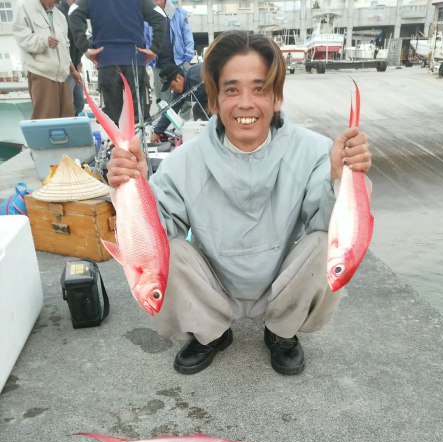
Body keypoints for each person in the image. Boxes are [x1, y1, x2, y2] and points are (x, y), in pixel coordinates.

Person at [107, 31, 372, 376]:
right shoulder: (181, 162)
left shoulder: (318, 151)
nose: (245, 103)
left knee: (328, 245)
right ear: (214, 101)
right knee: (167, 251)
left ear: (277, 97)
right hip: (212, 284)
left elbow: (328, 225)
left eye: (259, 89)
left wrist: (341, 177)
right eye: (231, 89)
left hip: (281, 279)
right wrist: (134, 186)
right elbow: (156, 235)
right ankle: (210, 333)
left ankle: (281, 331)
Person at [68, 0, 167, 125]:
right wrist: (154, 49)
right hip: (135, 59)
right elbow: (160, 16)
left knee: (112, 117)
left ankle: (116, 143)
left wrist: (85, 47)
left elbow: (73, 12)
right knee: (138, 117)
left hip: (107, 60)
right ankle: (136, 142)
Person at [12, 0, 81, 120]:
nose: (58, 1)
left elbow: (65, 46)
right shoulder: (24, 8)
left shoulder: (60, 16)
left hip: (62, 76)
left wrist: (73, 70)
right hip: (42, 74)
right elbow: (22, 38)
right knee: (46, 118)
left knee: (68, 118)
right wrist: (44, 41)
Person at [148, 0, 195, 105]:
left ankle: (185, 120)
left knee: (186, 97)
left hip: (180, 62)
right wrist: (151, 62)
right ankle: (165, 121)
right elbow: (145, 40)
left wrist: (187, 59)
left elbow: (188, 37)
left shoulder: (180, 14)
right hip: (159, 65)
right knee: (163, 101)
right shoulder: (147, 17)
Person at [150, 63, 208, 143]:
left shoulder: (198, 74)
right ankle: (204, 138)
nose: (173, 90)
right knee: (198, 110)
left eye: (172, 86)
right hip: (205, 101)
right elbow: (170, 110)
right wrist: (157, 132)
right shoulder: (179, 92)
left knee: (202, 109)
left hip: (218, 96)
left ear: (179, 78)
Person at [57, 0, 84, 116]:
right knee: (69, 103)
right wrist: (72, 66)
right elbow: (62, 44)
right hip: (65, 66)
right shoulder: (59, 12)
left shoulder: (77, 11)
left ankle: (76, 123)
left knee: (79, 103)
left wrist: (79, 59)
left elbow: (77, 38)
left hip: (74, 63)